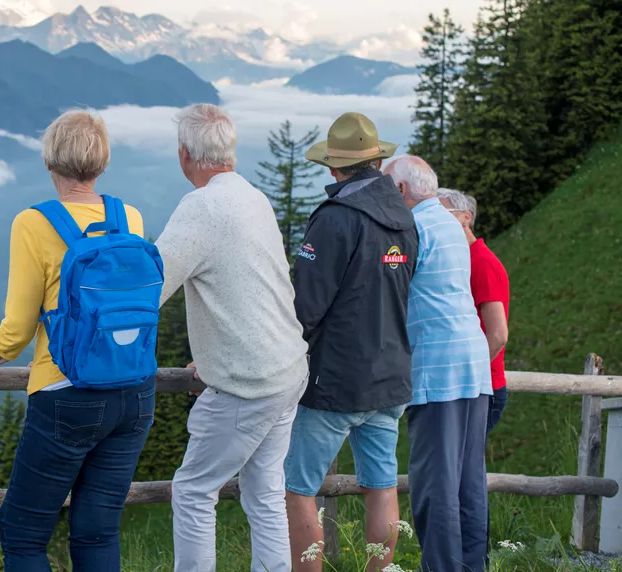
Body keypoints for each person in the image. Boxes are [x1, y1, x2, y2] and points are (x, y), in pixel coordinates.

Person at [0, 109, 156, 571]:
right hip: (135, 394)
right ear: (102, 163)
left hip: (66, 394)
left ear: (49, 164)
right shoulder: (129, 217)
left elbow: (15, 333)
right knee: (96, 533)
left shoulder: (33, 224)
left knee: (23, 534)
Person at [155, 103, 309, 572]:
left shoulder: (200, 207)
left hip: (249, 381)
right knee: (264, 493)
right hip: (287, 369)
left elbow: (150, 285)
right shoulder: (252, 196)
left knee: (194, 490)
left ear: (185, 154)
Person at [284, 112, 418, 572]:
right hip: (391, 375)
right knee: (381, 486)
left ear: (333, 167)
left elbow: (305, 305)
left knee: (299, 489)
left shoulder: (335, 219)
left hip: (336, 381)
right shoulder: (404, 216)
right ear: (377, 161)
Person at [386, 157, 493, 572]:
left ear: (400, 192)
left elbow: (389, 289)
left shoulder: (413, 229)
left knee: (435, 485)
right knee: (469, 484)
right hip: (473, 364)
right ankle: (471, 566)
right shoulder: (451, 223)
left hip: (438, 369)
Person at [438, 188, 511, 433]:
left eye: (442, 212)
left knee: (460, 468)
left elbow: (498, 334)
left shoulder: (481, 262)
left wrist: (467, 376)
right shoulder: (465, 259)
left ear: (465, 217)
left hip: (479, 388)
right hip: (475, 386)